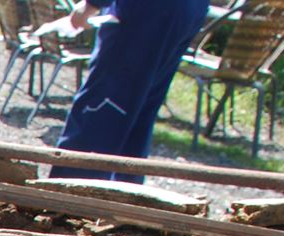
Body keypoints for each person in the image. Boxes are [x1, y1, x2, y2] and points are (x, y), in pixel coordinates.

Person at [49, 0, 208, 182]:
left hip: (144, 11)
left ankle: (70, 197)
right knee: (139, 110)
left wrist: (91, 4)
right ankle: (125, 198)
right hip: (188, 10)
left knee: (104, 106)